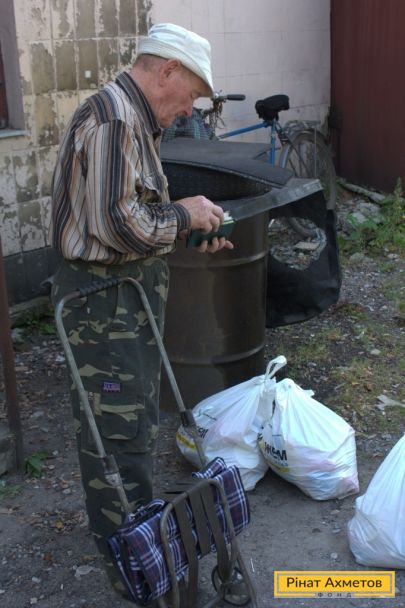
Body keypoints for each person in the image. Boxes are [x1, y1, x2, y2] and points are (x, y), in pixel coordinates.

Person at [50, 23, 233, 600]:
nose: (188, 110)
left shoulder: (132, 119)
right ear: (167, 71)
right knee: (118, 434)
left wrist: (188, 230)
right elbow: (115, 224)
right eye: (191, 95)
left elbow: (134, 216)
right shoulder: (114, 120)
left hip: (122, 299)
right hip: (102, 306)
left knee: (131, 426)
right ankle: (135, 572)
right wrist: (184, 215)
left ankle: (137, 547)